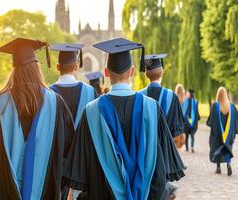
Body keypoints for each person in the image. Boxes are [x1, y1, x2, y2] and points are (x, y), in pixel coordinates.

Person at [64, 38, 185, 200]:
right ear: (133, 71)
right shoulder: (152, 108)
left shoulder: (91, 111)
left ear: (106, 73)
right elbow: (163, 165)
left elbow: (82, 170)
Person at [0, 38, 75, 199]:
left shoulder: (0, 105)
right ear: (36, 69)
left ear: (14, 70)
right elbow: (68, 155)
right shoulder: (56, 103)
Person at [49, 43, 97, 199]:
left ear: (57, 66)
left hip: (54, 163)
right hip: (83, 166)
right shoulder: (91, 93)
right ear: (76, 66)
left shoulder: (46, 94)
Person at [139, 54, 185, 138]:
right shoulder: (172, 96)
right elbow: (177, 130)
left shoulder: (137, 96)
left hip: (144, 148)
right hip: (166, 148)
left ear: (146, 74)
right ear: (162, 72)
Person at [207, 87, 238, 176]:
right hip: (228, 135)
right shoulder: (232, 107)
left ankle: (218, 167)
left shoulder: (215, 106)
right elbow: (236, 121)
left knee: (217, 148)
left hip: (218, 134)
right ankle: (228, 164)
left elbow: (211, 121)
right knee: (227, 148)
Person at [173, 84, 187, 149]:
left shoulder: (174, 97)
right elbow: (184, 112)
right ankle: (180, 146)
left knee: (174, 136)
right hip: (181, 120)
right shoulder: (185, 99)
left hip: (175, 119)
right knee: (180, 134)